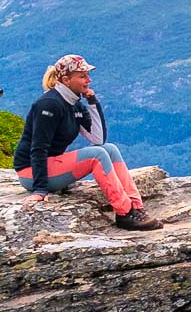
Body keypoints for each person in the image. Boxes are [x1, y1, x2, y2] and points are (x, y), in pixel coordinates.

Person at [13, 53, 161, 230]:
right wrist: (40, 190)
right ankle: (125, 213)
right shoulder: (49, 104)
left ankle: (136, 208)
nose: (88, 80)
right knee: (96, 155)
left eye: (88, 75)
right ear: (66, 80)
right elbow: (38, 148)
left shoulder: (74, 104)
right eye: (82, 76)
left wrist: (92, 102)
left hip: (52, 165)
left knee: (109, 148)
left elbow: (97, 139)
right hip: (30, 173)